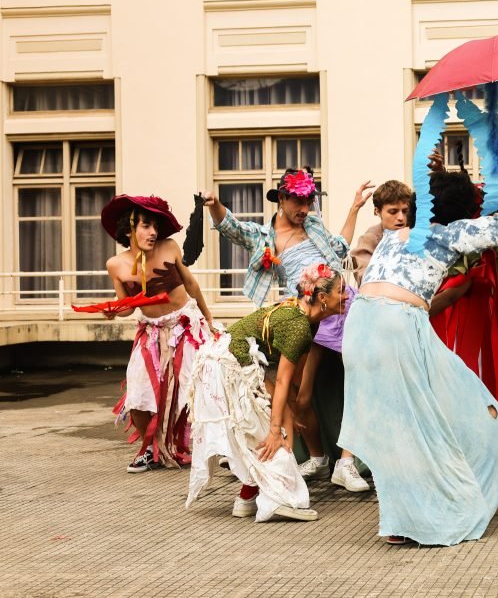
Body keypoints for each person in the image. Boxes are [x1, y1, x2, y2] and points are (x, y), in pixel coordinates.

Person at [340, 172, 498, 546]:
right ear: (464, 211)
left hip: (360, 326)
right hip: (398, 325)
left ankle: (400, 522)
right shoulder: (450, 234)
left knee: (399, 423)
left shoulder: (390, 237)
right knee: (461, 398)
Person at [201, 168, 372, 491]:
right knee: (300, 395)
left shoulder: (313, 226)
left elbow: (340, 247)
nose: (304, 209)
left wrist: (354, 208)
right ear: (281, 199)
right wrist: (214, 204)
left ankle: (347, 463)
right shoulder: (266, 237)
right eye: (298, 201)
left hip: (341, 304)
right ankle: (319, 458)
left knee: (359, 381)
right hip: (310, 317)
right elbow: (232, 228)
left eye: (309, 201)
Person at [187, 263, 346, 522]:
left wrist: (287, 415)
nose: (348, 296)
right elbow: (282, 381)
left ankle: (247, 498)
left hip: (231, 364)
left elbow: (287, 379)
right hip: (227, 367)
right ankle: (277, 500)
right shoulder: (298, 326)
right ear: (322, 298)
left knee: (276, 425)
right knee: (269, 433)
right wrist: (276, 429)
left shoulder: (305, 320)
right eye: (342, 291)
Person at [100, 195, 213, 473]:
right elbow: (127, 306)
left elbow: (191, 285)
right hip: (150, 333)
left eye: (155, 227)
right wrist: (115, 311)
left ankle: (201, 445)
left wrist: (209, 319)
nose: (153, 232)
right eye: (146, 226)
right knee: (137, 390)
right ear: (130, 229)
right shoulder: (116, 265)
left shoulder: (169, 247)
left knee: (195, 389)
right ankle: (149, 449)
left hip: (186, 327)